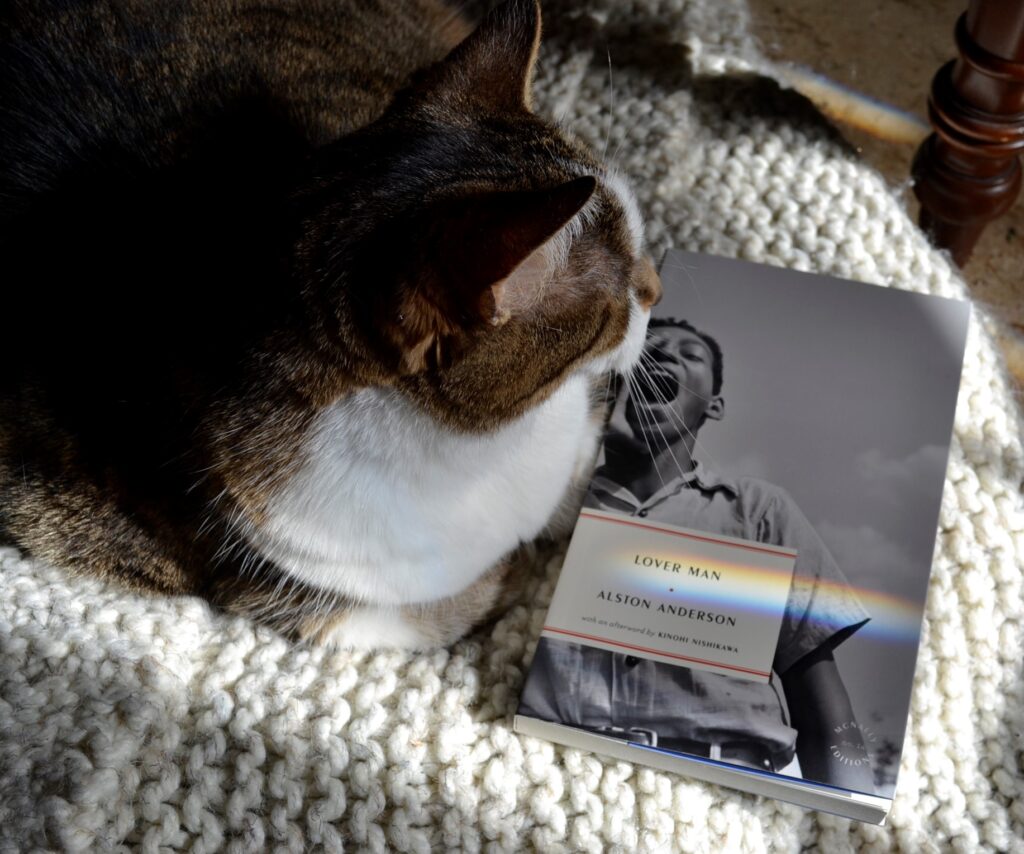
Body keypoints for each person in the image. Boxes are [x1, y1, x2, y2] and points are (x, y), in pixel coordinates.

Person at [519, 318, 876, 791]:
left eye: (691, 354)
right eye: (651, 348)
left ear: (715, 405)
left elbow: (821, 704)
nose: (666, 354)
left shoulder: (757, 512)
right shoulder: (549, 500)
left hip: (723, 790)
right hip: (556, 777)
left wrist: (848, 821)